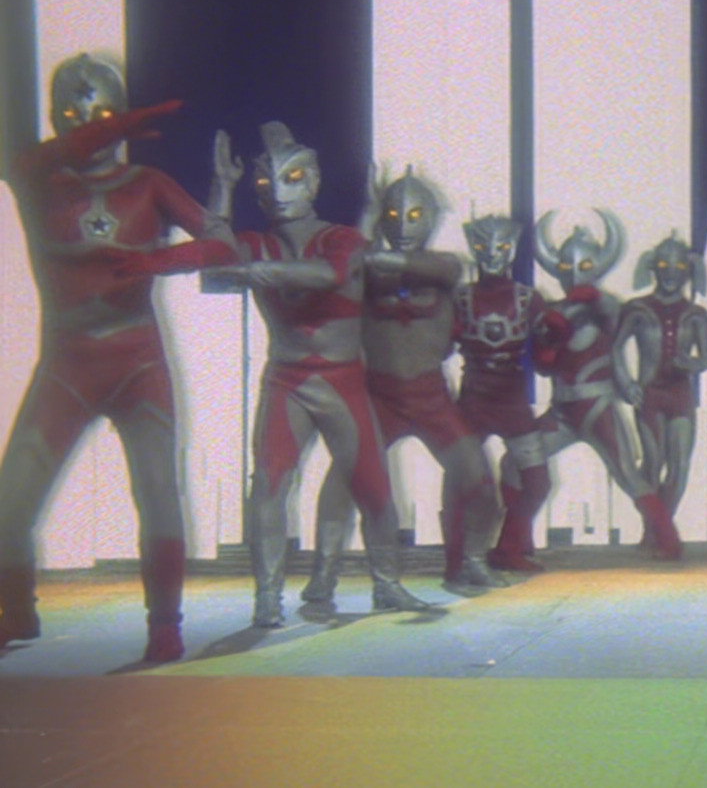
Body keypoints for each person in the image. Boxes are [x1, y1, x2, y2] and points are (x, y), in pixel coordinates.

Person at [128, 122, 429, 627]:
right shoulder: (257, 243)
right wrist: (223, 187)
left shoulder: (342, 239)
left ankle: (387, 583)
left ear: (313, 182)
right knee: (268, 485)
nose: (278, 193)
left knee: (373, 486)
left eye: (291, 179)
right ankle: (267, 594)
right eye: (266, 182)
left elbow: (328, 275)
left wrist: (255, 273)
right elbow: (216, 257)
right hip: (288, 380)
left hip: (341, 379)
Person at [0, 54, 233, 662]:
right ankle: (15, 612)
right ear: (55, 118)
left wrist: (162, 261)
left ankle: (165, 625)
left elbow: (223, 244)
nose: (87, 127)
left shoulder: (147, 184)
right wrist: (115, 126)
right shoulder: (37, 179)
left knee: (157, 491)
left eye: (102, 115)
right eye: (73, 116)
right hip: (68, 365)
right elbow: (27, 159)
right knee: (9, 505)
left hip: (136, 363)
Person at [304, 168, 505, 600]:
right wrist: (367, 226)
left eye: (414, 216)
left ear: (430, 218)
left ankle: (473, 560)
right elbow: (352, 269)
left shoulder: (444, 266)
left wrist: (367, 248)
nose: (403, 226)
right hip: (380, 397)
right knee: (343, 480)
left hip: (431, 398)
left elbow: (423, 267)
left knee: (479, 480)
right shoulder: (366, 269)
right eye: (393, 215)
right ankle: (323, 574)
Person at [532, 209, 683, 560]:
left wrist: (576, 309)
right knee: (518, 461)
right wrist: (549, 337)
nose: (574, 273)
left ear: (597, 266)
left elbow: (608, 314)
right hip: (562, 410)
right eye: (566, 266)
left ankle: (667, 540)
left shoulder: (605, 306)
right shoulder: (551, 311)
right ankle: (513, 542)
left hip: (597, 408)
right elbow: (543, 366)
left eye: (584, 266)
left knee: (628, 474)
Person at [453, 212, 553, 572]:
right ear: (472, 247)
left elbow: (547, 356)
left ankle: (508, 548)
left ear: (512, 249)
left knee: (538, 482)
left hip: (513, 402)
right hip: (473, 401)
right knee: (463, 482)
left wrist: (559, 337)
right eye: (483, 245)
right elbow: (438, 345)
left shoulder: (528, 299)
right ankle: (459, 556)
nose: (492, 254)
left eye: (501, 246)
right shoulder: (460, 298)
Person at [614, 233, 707, 523]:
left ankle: (663, 527)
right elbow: (615, 348)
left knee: (680, 465)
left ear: (689, 271)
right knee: (652, 463)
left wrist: (694, 364)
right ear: (652, 268)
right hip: (650, 394)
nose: (671, 274)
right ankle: (653, 525)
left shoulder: (696, 314)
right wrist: (626, 383)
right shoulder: (636, 309)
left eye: (679, 268)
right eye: (663, 266)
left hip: (681, 395)